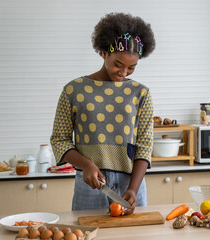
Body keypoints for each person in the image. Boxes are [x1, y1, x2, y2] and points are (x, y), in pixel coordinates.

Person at [50, 12, 155, 215]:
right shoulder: (73, 90)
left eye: (131, 68)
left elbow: (144, 145)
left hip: (131, 183)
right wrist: (87, 164)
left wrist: (133, 188)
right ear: (104, 52)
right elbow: (60, 140)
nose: (124, 73)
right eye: (118, 64)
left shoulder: (141, 93)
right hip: (90, 184)